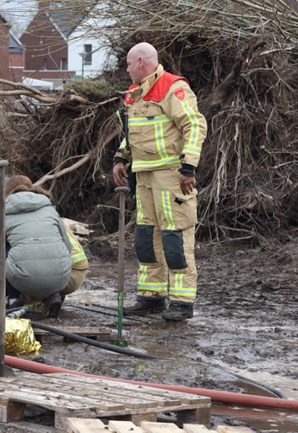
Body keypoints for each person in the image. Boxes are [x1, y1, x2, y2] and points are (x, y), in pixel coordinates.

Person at [113, 42, 207, 321]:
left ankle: (181, 301)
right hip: (144, 175)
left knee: (174, 236)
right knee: (146, 237)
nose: (127, 69)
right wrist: (121, 158)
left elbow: (195, 125)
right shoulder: (135, 94)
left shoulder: (172, 87)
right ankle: (151, 296)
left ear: (141, 62)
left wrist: (188, 166)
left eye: (129, 64)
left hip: (171, 174)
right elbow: (134, 132)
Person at [0, 176, 88, 316]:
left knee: (10, 250)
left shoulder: (5, 218)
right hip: (64, 276)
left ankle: (13, 300)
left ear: (7, 196)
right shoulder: (49, 210)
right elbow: (66, 247)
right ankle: (51, 296)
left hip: (48, 277)